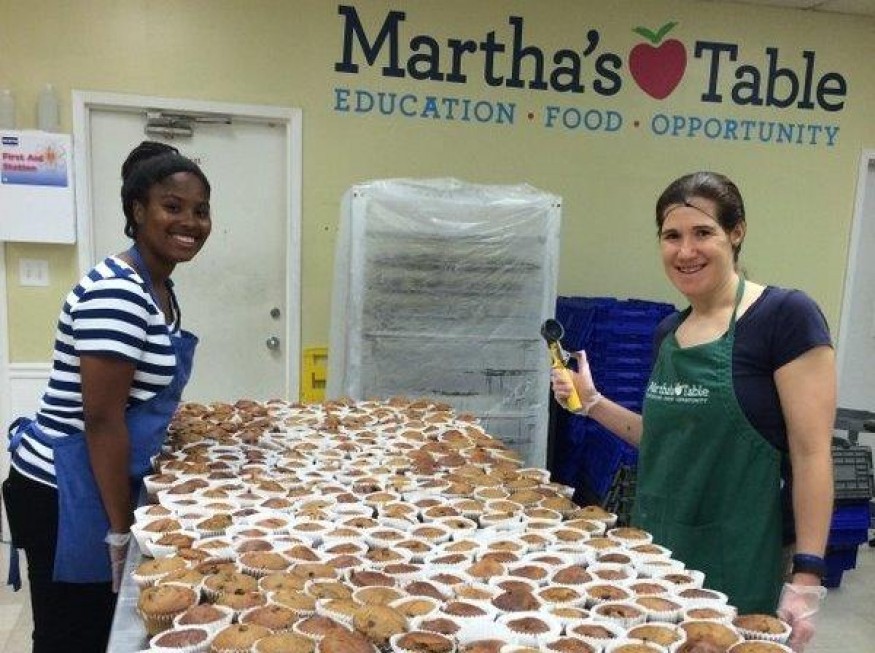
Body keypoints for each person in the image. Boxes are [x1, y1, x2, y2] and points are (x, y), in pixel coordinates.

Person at [552, 171, 835, 651]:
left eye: (703, 233)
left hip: (736, 558)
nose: (686, 251)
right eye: (672, 236)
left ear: (736, 232)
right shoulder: (669, 331)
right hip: (656, 555)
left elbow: (812, 455)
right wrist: (593, 403)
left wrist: (808, 572)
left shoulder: (784, 317)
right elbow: (665, 441)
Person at [2, 141, 212, 652]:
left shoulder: (158, 286)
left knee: (95, 626)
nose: (191, 221)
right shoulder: (116, 291)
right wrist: (121, 531)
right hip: (66, 487)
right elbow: (102, 421)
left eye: (201, 210)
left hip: (97, 475)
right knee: (72, 635)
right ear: (137, 211)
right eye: (173, 206)